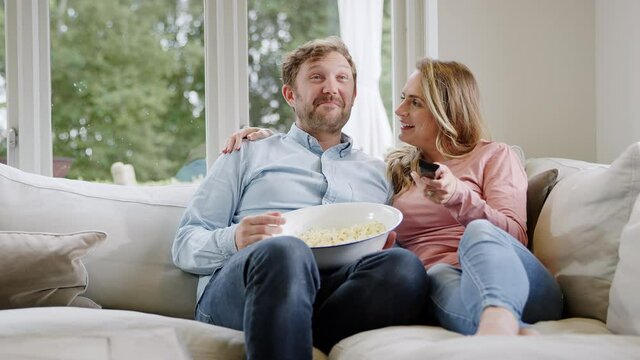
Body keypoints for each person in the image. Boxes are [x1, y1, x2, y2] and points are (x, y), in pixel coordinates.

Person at [226, 57, 564, 336]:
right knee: (430, 277)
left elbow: (513, 238)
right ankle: (499, 335)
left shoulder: (494, 156)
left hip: (515, 281)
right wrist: (272, 143)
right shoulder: (397, 170)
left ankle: (500, 320)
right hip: (444, 282)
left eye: (414, 102)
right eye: (402, 98)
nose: (399, 110)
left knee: (478, 234)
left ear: (447, 109)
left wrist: (459, 197)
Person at [172, 36, 428, 360]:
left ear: (354, 94)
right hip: (246, 289)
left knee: (404, 267)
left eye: (342, 78)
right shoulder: (247, 152)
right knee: (286, 251)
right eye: (317, 77)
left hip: (334, 296)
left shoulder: (379, 173)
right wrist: (235, 239)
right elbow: (185, 244)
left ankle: (287, 331)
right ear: (290, 94)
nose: (331, 87)